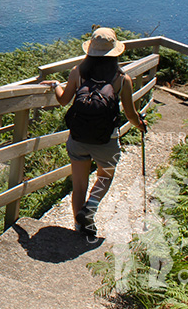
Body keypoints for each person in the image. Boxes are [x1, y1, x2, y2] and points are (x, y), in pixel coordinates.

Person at [42, 27, 147, 238]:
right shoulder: (121, 79)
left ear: (90, 50)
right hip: (106, 141)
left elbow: (63, 100)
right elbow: (130, 113)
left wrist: (55, 85)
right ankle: (90, 208)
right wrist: (140, 126)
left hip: (78, 138)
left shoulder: (77, 72)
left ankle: (79, 228)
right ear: (115, 52)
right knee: (105, 176)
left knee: (79, 185)